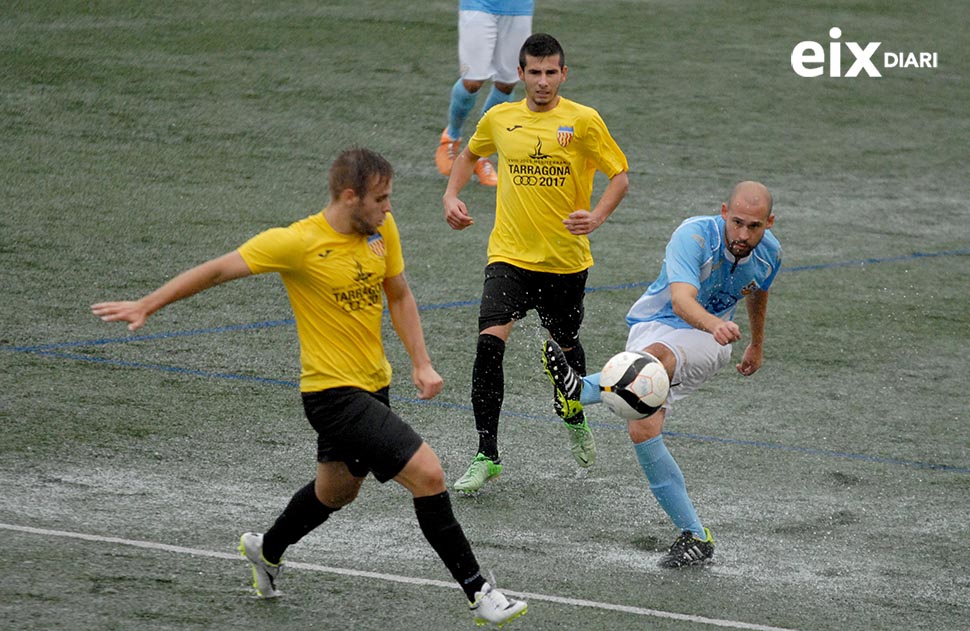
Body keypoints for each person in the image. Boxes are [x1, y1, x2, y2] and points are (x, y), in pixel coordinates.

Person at [91, 148, 527, 626]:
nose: (388, 207)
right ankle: (479, 591)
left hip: (372, 385)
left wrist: (421, 363)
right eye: (379, 198)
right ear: (348, 196)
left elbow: (398, 293)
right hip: (331, 395)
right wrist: (147, 305)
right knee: (428, 474)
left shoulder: (381, 231)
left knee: (337, 492)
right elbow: (217, 270)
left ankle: (267, 549)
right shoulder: (297, 243)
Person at [542, 181, 781, 567]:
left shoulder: (770, 253)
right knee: (642, 428)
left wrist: (755, 342)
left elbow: (758, 290)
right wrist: (713, 323)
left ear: (769, 223)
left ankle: (580, 390)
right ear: (723, 212)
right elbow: (681, 300)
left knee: (655, 360)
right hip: (657, 322)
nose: (743, 234)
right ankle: (696, 536)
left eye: (754, 226)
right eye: (737, 222)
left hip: (709, 341)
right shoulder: (694, 237)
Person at [443, 33, 630, 493]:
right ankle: (487, 453)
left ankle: (573, 411)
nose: (543, 82)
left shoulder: (583, 121)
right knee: (489, 346)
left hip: (565, 261)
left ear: (563, 74)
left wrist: (598, 215)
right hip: (508, 256)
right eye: (534, 72)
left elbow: (620, 175)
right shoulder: (500, 117)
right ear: (521, 74)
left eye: (551, 73)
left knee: (565, 343)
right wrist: (451, 194)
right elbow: (469, 155)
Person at [435, 0, 535, 187]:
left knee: (507, 83)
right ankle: (451, 136)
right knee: (472, 81)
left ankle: (480, 154)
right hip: (478, 4)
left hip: (519, 7)